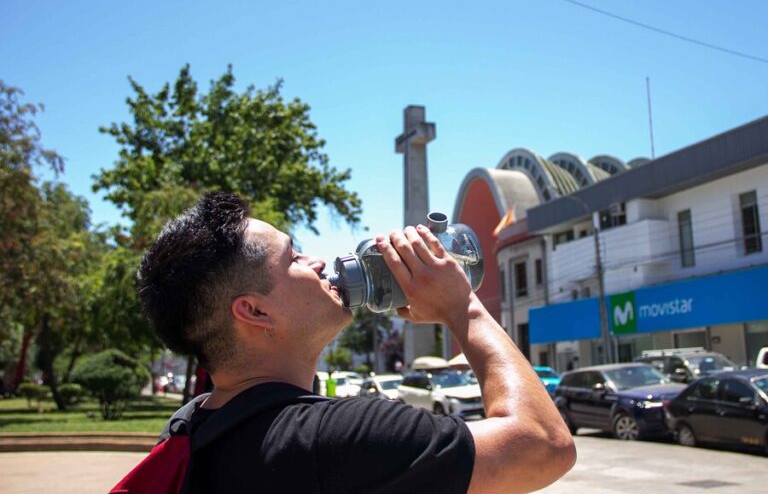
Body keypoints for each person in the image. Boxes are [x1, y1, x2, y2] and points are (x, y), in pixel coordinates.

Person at [137, 192, 575, 493]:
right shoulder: (337, 437)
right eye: (294, 257)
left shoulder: (188, 428)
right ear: (254, 311)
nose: (319, 261)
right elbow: (544, 444)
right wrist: (464, 307)